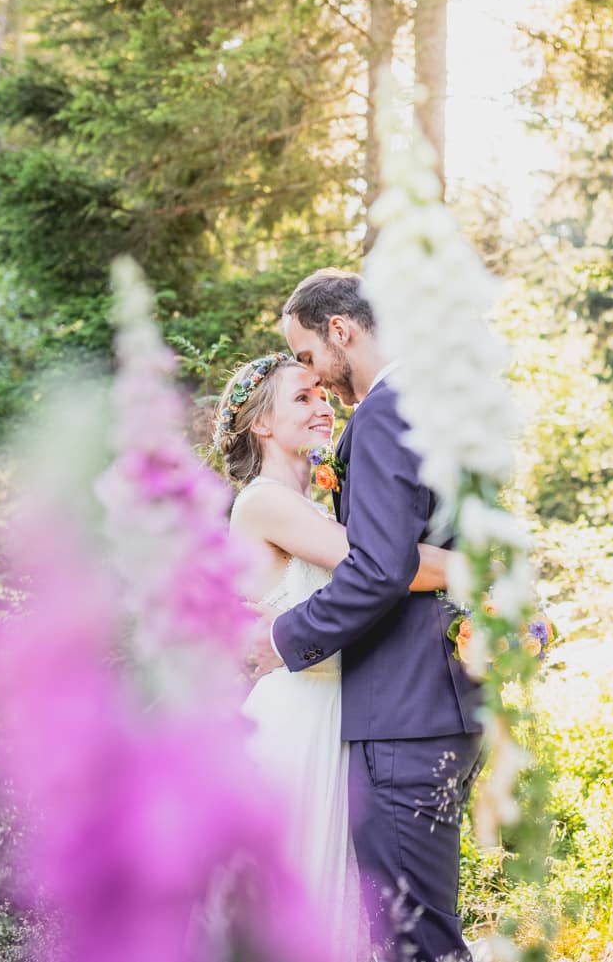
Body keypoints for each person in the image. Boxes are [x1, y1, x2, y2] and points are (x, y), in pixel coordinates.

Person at [249, 268, 484, 962]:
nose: (317, 377)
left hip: (401, 718)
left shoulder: (384, 414)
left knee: (417, 942)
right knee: (417, 932)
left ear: (341, 330)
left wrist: (283, 637)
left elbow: (380, 567)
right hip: (440, 703)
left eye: (311, 355)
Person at [213, 349, 452, 959]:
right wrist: (489, 569)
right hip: (292, 724)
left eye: (322, 394)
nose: (324, 406)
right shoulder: (262, 501)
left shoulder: (318, 505)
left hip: (340, 719)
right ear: (261, 424)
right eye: (303, 397)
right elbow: (386, 566)